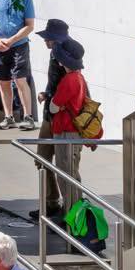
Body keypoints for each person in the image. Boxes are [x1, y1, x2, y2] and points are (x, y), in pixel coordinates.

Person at [36, 20, 92, 218]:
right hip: (53, 116)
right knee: (43, 160)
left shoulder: (68, 53)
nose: (46, 41)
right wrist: (48, 95)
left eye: (48, 38)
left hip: (65, 121)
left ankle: (73, 213)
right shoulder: (58, 54)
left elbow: (73, 88)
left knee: (67, 169)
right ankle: (53, 203)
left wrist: (57, 103)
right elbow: (57, 85)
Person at [0, 0, 39, 130]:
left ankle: (28, 117)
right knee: (4, 82)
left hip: (19, 45)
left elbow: (29, 26)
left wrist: (11, 41)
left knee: (20, 79)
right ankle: (8, 117)